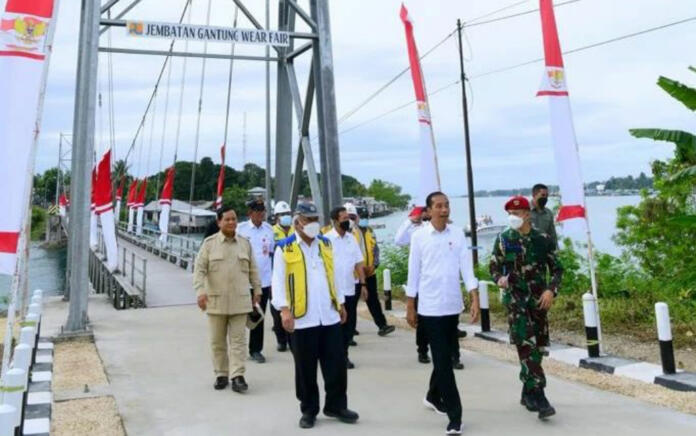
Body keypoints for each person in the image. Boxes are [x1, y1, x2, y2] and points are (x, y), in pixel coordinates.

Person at [272, 202, 359, 429]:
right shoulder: (285, 248)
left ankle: (336, 405)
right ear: (297, 221)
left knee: (336, 365)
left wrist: (340, 303)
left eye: (315, 219)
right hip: (302, 318)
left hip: (328, 315)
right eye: (308, 219)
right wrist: (284, 310)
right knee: (305, 369)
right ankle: (309, 410)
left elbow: (334, 275)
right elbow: (278, 283)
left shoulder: (326, 244)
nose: (312, 224)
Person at [406, 192, 479, 435]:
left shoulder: (457, 234)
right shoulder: (419, 237)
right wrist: (410, 305)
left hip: (451, 305)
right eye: (439, 206)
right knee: (443, 363)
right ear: (428, 211)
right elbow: (413, 273)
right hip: (429, 307)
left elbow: (466, 268)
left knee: (446, 357)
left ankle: (432, 395)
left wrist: (474, 297)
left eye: (446, 205)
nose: (444, 209)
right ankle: (454, 415)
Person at [489, 196, 563, 420]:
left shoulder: (543, 239)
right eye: (510, 214)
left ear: (527, 214)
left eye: (517, 213)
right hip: (516, 301)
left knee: (538, 347)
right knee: (526, 346)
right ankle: (540, 396)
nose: (513, 217)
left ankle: (527, 392)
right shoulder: (504, 239)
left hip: (538, 301)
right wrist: (499, 278)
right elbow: (493, 266)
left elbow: (557, 269)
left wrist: (551, 290)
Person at [193, 206, 261, 393]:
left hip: (240, 301)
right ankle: (221, 374)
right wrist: (200, 292)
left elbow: (254, 269)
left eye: (234, 219)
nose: (231, 222)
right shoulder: (209, 244)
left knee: (238, 341)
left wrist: (257, 290)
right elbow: (199, 270)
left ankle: (237, 375)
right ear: (219, 222)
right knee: (217, 341)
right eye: (227, 219)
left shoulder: (245, 244)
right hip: (216, 302)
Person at [395, 206, 465, 367]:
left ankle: (455, 355)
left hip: (445, 286)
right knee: (424, 322)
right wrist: (409, 221)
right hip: (423, 285)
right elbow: (398, 240)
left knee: (451, 324)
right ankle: (422, 350)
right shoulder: (417, 232)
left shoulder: (449, 230)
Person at [325, 206, 367, 370]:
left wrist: (363, 284)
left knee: (348, 326)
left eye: (348, 218)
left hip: (350, 289)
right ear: (335, 221)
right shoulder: (326, 240)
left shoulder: (351, 239)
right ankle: (336, 357)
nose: (347, 221)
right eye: (343, 218)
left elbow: (358, 263)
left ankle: (344, 355)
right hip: (333, 292)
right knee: (335, 327)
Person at [345, 203, 395, 338]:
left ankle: (382, 325)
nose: (353, 219)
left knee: (373, 300)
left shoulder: (370, 231)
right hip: (354, 275)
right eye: (350, 217)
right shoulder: (349, 233)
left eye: (354, 217)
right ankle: (350, 329)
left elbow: (376, 250)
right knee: (351, 303)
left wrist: (374, 265)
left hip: (370, 273)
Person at [237, 199, 275, 363]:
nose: (261, 214)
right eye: (257, 212)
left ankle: (255, 349)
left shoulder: (268, 229)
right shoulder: (241, 229)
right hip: (244, 281)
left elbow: (271, 254)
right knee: (239, 317)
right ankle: (237, 348)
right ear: (250, 213)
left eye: (263, 212)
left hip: (264, 281)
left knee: (258, 316)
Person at [270, 200, 293, 351]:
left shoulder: (296, 231)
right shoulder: (271, 231)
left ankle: (292, 338)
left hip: (292, 275)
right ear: (277, 217)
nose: (286, 217)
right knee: (277, 309)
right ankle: (281, 340)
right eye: (283, 214)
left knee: (292, 309)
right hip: (276, 275)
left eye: (288, 214)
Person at [530, 183, 557, 248]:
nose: (545, 198)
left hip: (544, 250)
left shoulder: (548, 213)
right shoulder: (525, 211)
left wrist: (555, 249)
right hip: (528, 249)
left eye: (547, 195)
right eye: (543, 195)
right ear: (534, 195)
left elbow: (552, 234)